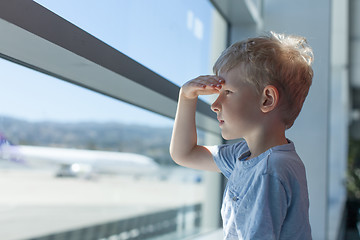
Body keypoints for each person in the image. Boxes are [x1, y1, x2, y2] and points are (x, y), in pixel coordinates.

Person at [169, 32, 313, 239]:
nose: (215, 105)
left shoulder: (270, 170)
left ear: (267, 100)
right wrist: (186, 97)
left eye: (227, 92)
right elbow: (185, 154)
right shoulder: (246, 155)